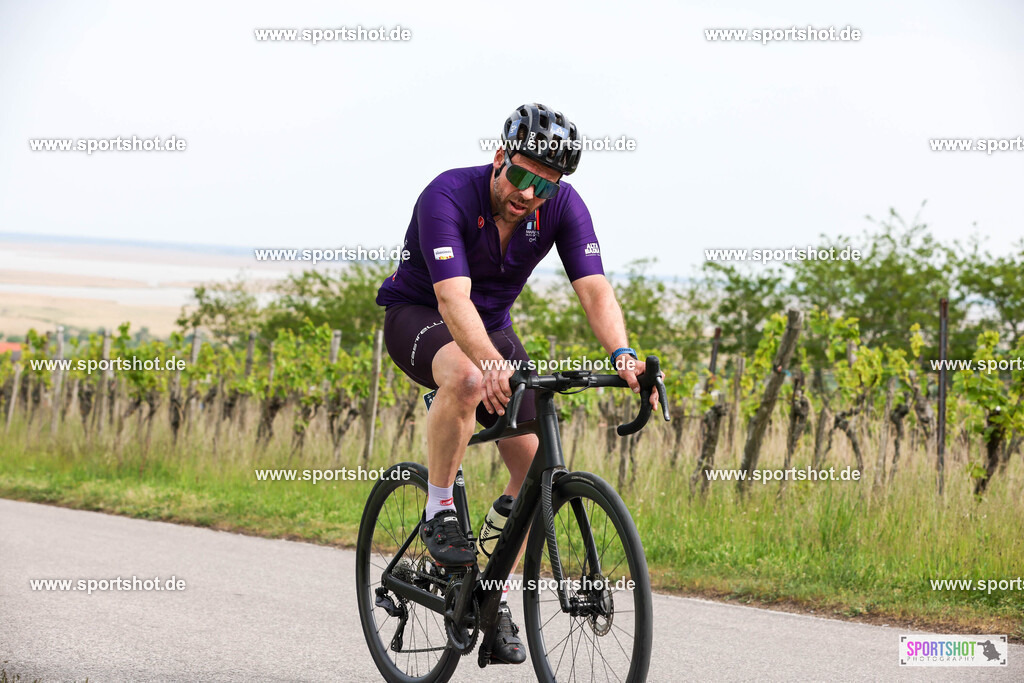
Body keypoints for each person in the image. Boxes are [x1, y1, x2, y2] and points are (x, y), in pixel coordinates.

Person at [375, 102, 659, 665]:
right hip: (420, 317)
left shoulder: (562, 207)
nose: (530, 194)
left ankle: (492, 593)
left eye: (545, 186)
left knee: (533, 466)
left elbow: (595, 289)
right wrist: (487, 363)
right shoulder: (448, 195)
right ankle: (438, 512)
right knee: (464, 376)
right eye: (523, 175)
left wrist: (623, 356)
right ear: (501, 157)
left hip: (496, 333)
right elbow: (453, 298)